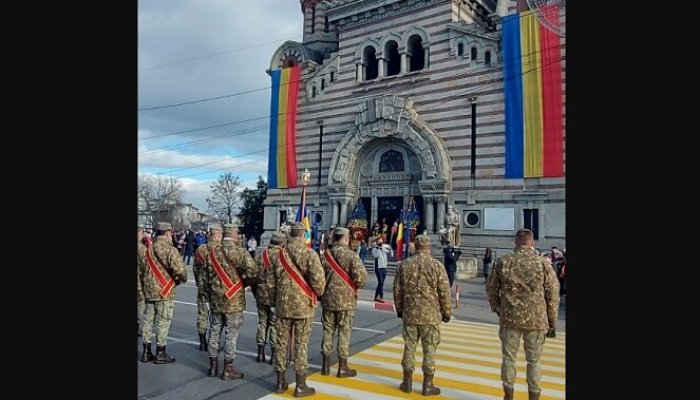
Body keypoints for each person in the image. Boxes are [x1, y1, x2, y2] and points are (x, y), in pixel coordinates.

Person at [486, 229, 560, 400]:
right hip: (536, 319)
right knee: (534, 361)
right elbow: (552, 293)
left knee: (509, 359)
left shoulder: (503, 261)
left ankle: (508, 395)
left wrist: (498, 308)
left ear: (515, 241)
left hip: (510, 318)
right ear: (531, 242)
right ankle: (533, 396)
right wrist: (552, 321)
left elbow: (491, 288)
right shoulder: (542, 263)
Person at [270, 223, 325, 397]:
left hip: (282, 307)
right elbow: (318, 281)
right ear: (302, 235)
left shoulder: (278, 255)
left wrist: (275, 302)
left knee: (281, 344)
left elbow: (271, 283)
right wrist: (318, 294)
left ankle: (280, 382)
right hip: (304, 307)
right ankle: (300, 385)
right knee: (301, 345)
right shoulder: (310, 254)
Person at [392, 235, 452, 396]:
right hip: (430, 315)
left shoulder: (404, 265)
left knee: (409, 347)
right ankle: (428, 384)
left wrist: (400, 309)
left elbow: (397, 289)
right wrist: (447, 312)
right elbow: (444, 292)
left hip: (410, 314)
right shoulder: (436, 266)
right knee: (430, 349)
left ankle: (407, 381)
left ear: (415, 247)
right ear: (429, 247)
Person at [202, 223, 258, 380]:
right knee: (231, 334)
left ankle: (212, 366)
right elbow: (254, 271)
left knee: (214, 330)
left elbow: (204, 278)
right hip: (233, 300)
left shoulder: (212, 253)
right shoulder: (240, 252)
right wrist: (243, 283)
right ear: (234, 235)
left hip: (215, 300)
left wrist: (207, 295)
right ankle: (228, 368)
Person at [319, 227, 367, 378]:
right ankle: (342, 367)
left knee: (328, 331)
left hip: (328, 300)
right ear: (345, 239)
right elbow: (361, 279)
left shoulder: (324, 256)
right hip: (346, 302)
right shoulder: (352, 256)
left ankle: (325, 365)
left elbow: (318, 277)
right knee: (344, 333)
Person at [138, 222, 188, 364]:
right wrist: (182, 278)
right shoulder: (170, 250)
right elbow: (181, 271)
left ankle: (146, 352)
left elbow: (142, 270)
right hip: (165, 291)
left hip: (149, 291)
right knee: (163, 322)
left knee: (148, 321)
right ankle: (161, 352)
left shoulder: (147, 250)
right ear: (167, 232)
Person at [253, 231, 286, 364]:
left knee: (262, 322)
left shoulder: (261, 255)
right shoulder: (282, 257)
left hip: (261, 293)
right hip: (275, 296)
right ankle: (273, 355)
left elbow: (253, 275)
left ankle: (260, 353)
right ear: (282, 243)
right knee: (274, 324)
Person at [192, 224, 223, 351]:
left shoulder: (201, 249)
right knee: (217, 316)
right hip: (218, 288)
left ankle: (202, 341)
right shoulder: (222, 250)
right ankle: (213, 342)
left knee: (202, 314)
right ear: (219, 235)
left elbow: (195, 268)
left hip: (203, 286)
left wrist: (198, 281)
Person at [371, 238, 393, 302]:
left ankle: (376, 296)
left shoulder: (384, 248)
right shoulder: (375, 249)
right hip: (378, 267)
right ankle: (381, 296)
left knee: (381, 283)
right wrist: (379, 248)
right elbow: (375, 255)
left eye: (381, 242)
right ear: (377, 242)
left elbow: (391, 254)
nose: (381, 243)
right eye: (379, 242)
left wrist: (389, 248)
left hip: (384, 267)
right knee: (380, 282)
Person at [137, 226, 147, 337]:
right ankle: (138, 326)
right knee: (140, 304)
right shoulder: (142, 249)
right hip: (139, 282)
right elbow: (146, 266)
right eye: (141, 232)